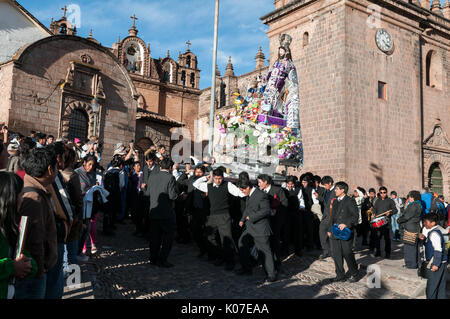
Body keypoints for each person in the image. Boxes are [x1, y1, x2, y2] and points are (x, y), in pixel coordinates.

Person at [14, 147, 58, 299]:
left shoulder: (32, 189)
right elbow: (35, 240)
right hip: (32, 274)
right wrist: (40, 270)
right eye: (56, 166)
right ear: (49, 169)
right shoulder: (34, 198)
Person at [193, 168, 245, 271]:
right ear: (213, 178)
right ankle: (219, 256)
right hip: (212, 216)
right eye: (216, 178)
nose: (218, 181)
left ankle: (230, 261)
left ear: (223, 177)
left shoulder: (228, 185)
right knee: (209, 237)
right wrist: (205, 177)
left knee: (226, 239)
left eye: (220, 178)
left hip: (224, 216)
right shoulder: (208, 186)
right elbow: (195, 184)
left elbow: (239, 193)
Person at [0, 172, 37, 299]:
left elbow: (22, 254)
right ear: (10, 198)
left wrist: (27, 264)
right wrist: (12, 267)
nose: (23, 199)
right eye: (21, 194)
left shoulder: (11, 226)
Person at [235, 177, 277, 283]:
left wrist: (251, 217)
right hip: (250, 228)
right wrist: (242, 219)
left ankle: (271, 274)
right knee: (241, 243)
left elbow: (266, 210)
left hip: (260, 229)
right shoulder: (249, 195)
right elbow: (247, 209)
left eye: (243, 190)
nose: (242, 192)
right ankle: (246, 268)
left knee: (264, 251)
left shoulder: (261, 195)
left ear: (248, 187)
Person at [147, 158, 179, 268]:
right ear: (170, 168)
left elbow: (147, 193)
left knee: (154, 237)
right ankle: (162, 259)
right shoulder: (170, 177)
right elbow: (172, 196)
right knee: (167, 238)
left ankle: (153, 258)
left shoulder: (152, 176)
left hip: (153, 210)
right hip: (166, 213)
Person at [327, 182, 359, 283]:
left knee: (347, 253)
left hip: (345, 232)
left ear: (342, 190)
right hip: (335, 231)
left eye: (336, 189)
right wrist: (329, 229)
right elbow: (332, 217)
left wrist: (346, 224)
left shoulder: (350, 201)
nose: (335, 191)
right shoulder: (335, 201)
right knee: (336, 254)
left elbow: (355, 216)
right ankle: (340, 275)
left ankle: (354, 273)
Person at [257, 174, 288, 271]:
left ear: (265, 182)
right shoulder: (259, 192)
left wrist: (276, 210)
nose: (258, 184)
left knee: (275, 241)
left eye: (259, 182)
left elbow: (285, 203)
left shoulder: (277, 190)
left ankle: (276, 261)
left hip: (276, 220)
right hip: (264, 221)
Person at [60, 148, 83, 270]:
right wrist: (78, 214)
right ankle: (73, 277)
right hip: (71, 214)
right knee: (72, 247)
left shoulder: (56, 172)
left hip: (59, 214)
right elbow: (77, 197)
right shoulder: (72, 175)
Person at [419, 213, 447, 299]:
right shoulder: (434, 232)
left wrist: (435, 264)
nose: (424, 224)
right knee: (440, 287)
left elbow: (438, 250)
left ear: (433, 223)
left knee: (432, 288)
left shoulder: (434, 234)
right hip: (442, 262)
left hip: (437, 263)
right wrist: (424, 239)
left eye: (426, 222)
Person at [75, 155, 98, 259]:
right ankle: (75, 253)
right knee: (79, 230)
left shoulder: (93, 174)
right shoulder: (76, 173)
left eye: (93, 165)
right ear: (84, 162)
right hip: (79, 206)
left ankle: (80, 251)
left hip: (89, 206)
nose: (91, 167)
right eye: (89, 164)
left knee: (86, 229)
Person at [370, 186, 397, 259]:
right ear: (379, 193)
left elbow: (395, 210)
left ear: (386, 192)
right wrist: (373, 213)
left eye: (384, 192)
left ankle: (387, 253)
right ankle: (378, 253)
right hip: (378, 222)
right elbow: (375, 209)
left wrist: (390, 213)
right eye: (381, 193)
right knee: (377, 238)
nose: (382, 194)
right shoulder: (377, 201)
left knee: (387, 239)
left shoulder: (390, 201)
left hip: (386, 223)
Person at [397, 191, 422, 269]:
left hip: (410, 229)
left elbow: (407, 216)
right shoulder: (419, 204)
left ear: (413, 197)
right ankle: (416, 263)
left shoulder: (413, 205)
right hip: (415, 227)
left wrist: (399, 220)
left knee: (409, 247)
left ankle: (410, 264)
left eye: (410, 197)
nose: (409, 198)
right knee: (415, 247)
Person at [283, 175, 305, 257]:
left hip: (296, 212)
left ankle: (298, 250)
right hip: (287, 213)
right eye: (289, 184)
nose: (290, 185)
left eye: (292, 184)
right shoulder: (283, 190)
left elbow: (301, 199)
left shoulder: (298, 189)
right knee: (286, 232)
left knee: (297, 232)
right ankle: (285, 250)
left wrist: (302, 207)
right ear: (286, 184)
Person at [317, 176, 335, 260]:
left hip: (332, 216)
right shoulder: (325, 191)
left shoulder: (336, 191)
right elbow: (325, 202)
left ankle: (333, 252)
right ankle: (325, 251)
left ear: (330, 183)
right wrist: (318, 197)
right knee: (322, 232)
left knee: (331, 234)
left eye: (325, 185)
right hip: (325, 216)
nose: (324, 186)